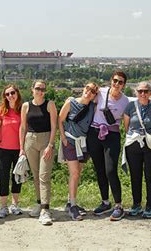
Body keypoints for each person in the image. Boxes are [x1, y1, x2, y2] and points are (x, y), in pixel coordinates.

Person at [87, 71, 129, 221]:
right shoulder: (101, 93)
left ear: (124, 84)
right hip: (94, 133)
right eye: (115, 81)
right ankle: (105, 201)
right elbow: (86, 98)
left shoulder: (125, 101)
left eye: (121, 82)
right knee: (99, 170)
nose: (117, 84)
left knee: (110, 170)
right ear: (111, 81)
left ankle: (118, 205)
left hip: (112, 135)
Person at [123, 82, 151, 219]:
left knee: (150, 176)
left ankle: (150, 205)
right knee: (135, 176)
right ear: (136, 92)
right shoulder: (130, 106)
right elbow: (127, 126)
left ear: (150, 92)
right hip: (134, 144)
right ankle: (136, 204)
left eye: (146, 91)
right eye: (140, 91)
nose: (143, 93)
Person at [59, 82, 98, 221]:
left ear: (95, 95)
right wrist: (63, 138)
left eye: (93, 91)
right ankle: (73, 206)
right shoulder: (70, 102)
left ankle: (70, 202)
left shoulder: (92, 106)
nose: (89, 91)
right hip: (70, 141)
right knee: (74, 173)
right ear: (83, 88)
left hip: (83, 143)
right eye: (87, 88)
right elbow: (60, 119)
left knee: (77, 173)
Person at [20, 80, 57, 226]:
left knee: (44, 175)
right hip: (30, 140)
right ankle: (39, 202)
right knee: (36, 175)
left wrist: (50, 144)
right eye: (37, 88)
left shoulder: (50, 105)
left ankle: (45, 210)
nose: (40, 91)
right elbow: (23, 127)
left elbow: (54, 126)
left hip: (46, 140)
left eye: (42, 89)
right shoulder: (26, 106)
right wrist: (22, 147)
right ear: (32, 90)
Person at [0, 84, 24, 218]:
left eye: (12, 93)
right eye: (7, 94)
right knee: (3, 177)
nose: (10, 96)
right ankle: (3, 206)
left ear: (17, 94)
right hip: (4, 149)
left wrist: (23, 148)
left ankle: (15, 205)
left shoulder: (22, 110)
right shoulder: (1, 111)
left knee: (17, 178)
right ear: (5, 97)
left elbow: (25, 129)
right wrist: (0, 142)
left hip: (19, 150)